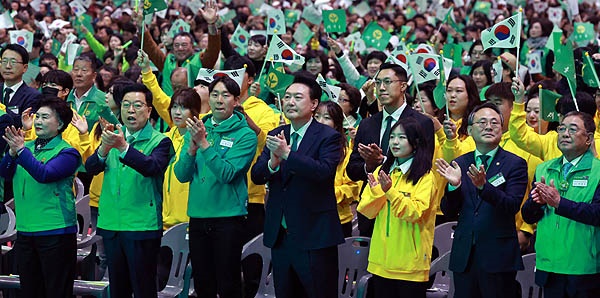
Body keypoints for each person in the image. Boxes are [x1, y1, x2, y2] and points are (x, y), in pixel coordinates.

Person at [251, 75, 345, 298]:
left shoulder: (328, 136)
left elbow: (323, 172)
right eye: (287, 97)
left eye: (297, 97)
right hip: (281, 234)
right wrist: (273, 163)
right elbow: (257, 175)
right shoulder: (276, 134)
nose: (290, 102)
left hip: (315, 234)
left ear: (313, 104)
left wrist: (287, 154)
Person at [85, 83, 174, 298]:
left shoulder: (161, 141)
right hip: (112, 224)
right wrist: (104, 150)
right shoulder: (112, 135)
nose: (131, 111)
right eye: (126, 105)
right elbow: (91, 168)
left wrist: (124, 147)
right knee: (118, 289)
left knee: (143, 288)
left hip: (141, 225)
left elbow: (151, 167)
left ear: (149, 110)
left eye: (137, 105)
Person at [175, 76, 257, 298]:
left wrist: (203, 143)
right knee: (202, 281)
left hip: (228, 219)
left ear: (236, 100)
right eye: (214, 94)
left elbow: (227, 174)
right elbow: (181, 175)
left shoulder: (246, 135)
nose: (219, 100)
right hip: (198, 217)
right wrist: (191, 149)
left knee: (228, 282)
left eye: (226, 95)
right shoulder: (198, 127)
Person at [435, 103, 527, 297]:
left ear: (502, 129)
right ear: (469, 130)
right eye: (482, 122)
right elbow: (449, 211)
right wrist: (454, 187)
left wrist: (483, 187)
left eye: (494, 122)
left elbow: (512, 205)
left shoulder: (515, 163)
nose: (488, 127)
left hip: (498, 257)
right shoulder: (460, 162)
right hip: (464, 255)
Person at [0, 97, 80, 297]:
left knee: (56, 290)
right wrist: (11, 153)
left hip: (55, 231)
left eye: (45, 117)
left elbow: (44, 174)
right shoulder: (25, 146)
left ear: (60, 123)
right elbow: (5, 173)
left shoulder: (68, 153)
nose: (38, 121)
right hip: (26, 230)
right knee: (30, 290)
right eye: (37, 117)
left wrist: (20, 150)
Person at [347, 63, 434, 237]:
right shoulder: (367, 123)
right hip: (371, 212)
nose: (381, 88)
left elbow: (422, 165)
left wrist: (382, 162)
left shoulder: (421, 122)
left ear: (403, 86)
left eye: (387, 82)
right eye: (378, 83)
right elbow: (352, 170)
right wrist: (369, 167)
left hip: (403, 214)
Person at [522, 111, 600, 297]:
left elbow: (597, 214)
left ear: (588, 138)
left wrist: (559, 203)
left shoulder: (597, 171)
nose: (565, 134)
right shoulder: (544, 168)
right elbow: (528, 216)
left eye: (573, 129)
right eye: (562, 128)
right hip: (548, 264)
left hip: (584, 266)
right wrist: (536, 203)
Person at [358, 117, 436, 297]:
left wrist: (390, 191)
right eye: (392, 137)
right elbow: (366, 210)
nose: (395, 142)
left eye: (401, 137)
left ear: (415, 142)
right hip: (381, 262)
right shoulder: (382, 171)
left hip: (409, 266)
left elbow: (415, 212)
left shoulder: (425, 176)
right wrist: (379, 192)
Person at [314, 101, 358, 237]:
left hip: (337, 220)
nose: (320, 121)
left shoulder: (346, 153)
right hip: (308, 219)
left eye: (327, 118)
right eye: (317, 116)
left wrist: (326, 194)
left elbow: (353, 187)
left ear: (337, 124)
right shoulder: (303, 148)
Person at [67, 54, 118, 132]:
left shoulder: (104, 99)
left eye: (84, 70)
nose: (79, 74)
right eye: (76, 70)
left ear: (94, 76)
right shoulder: (65, 98)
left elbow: (116, 130)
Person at [0, 44, 42, 124]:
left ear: (25, 68)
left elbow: (25, 123)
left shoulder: (33, 96)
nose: (8, 66)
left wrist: (2, 109)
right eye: (4, 61)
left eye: (13, 62)